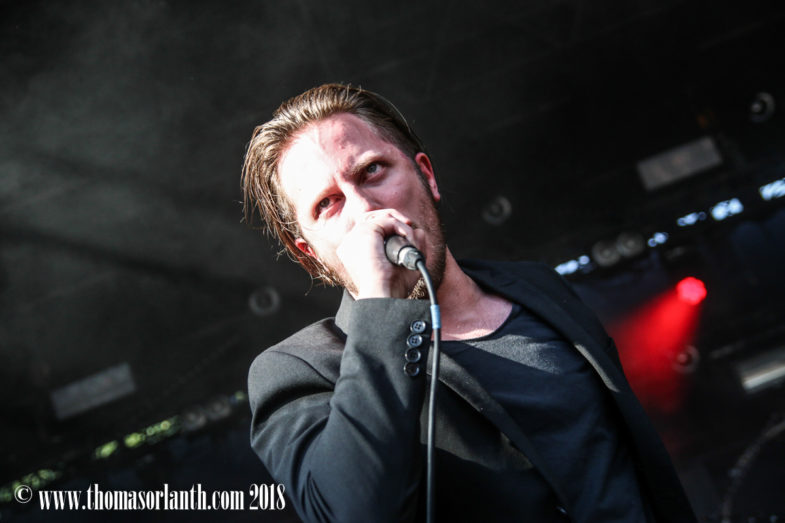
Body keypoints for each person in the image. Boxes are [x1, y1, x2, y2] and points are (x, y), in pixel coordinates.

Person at [241, 83, 696, 522]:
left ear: (427, 176)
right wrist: (381, 304)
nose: (364, 210)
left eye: (372, 170)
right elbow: (354, 511)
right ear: (311, 256)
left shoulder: (537, 287)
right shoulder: (297, 371)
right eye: (328, 203)